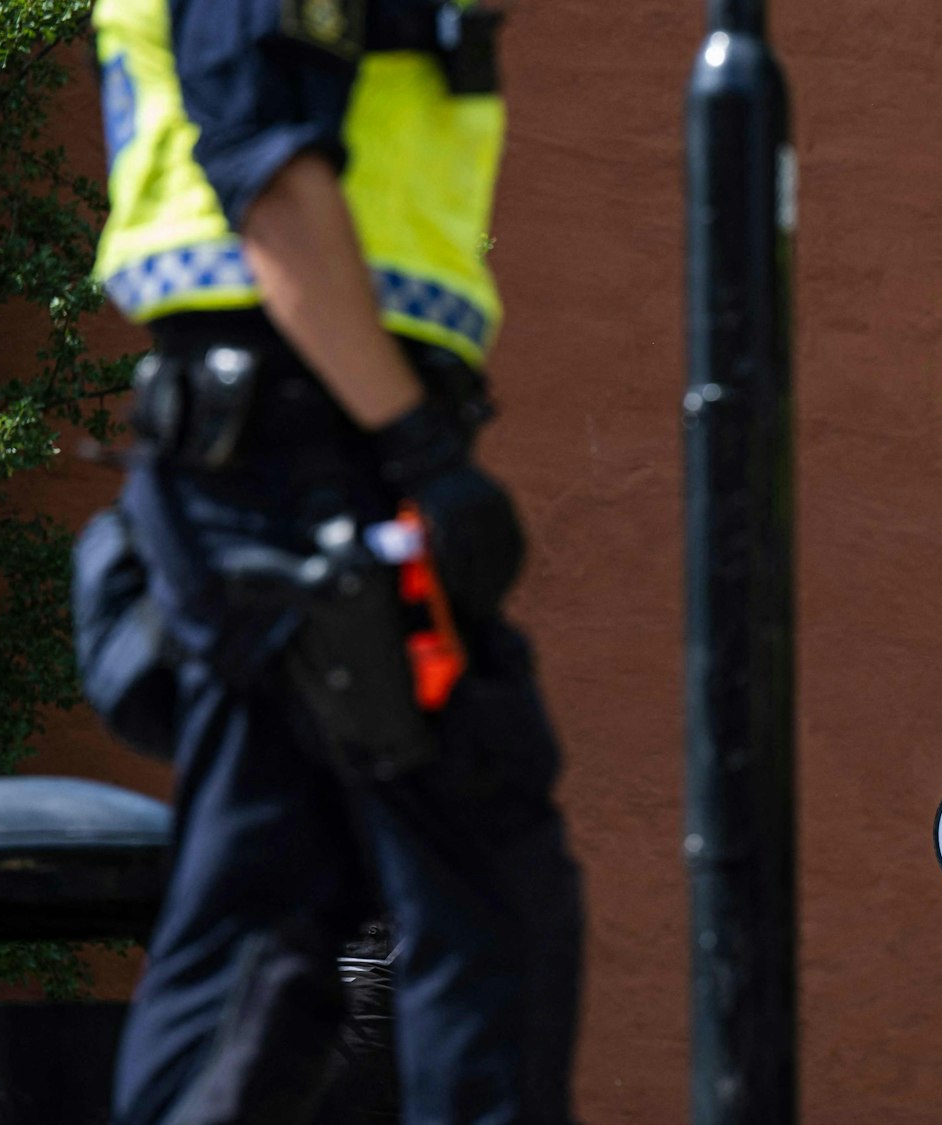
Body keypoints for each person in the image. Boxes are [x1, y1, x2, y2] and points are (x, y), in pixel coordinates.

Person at [80, 0, 583, 1121]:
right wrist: (416, 448)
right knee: (481, 892)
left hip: (282, 449)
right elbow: (267, 171)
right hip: (314, 454)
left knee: (270, 921)